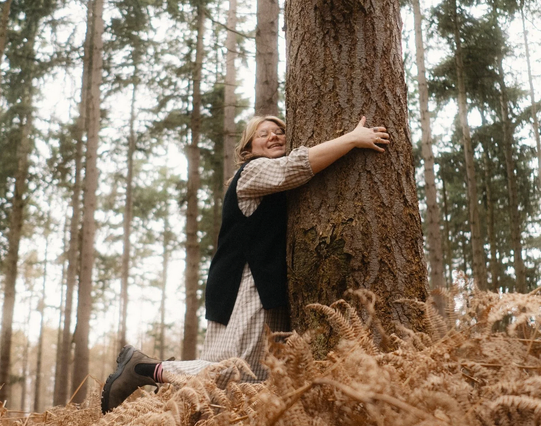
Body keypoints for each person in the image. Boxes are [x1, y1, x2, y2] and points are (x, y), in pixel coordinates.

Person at [101, 115, 389, 414]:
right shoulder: (254, 171)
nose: (274, 136)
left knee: (246, 386)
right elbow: (296, 167)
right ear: (249, 148)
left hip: (254, 287)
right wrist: (353, 139)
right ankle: (146, 368)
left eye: (280, 132)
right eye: (263, 134)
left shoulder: (270, 181)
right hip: (246, 284)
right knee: (235, 374)